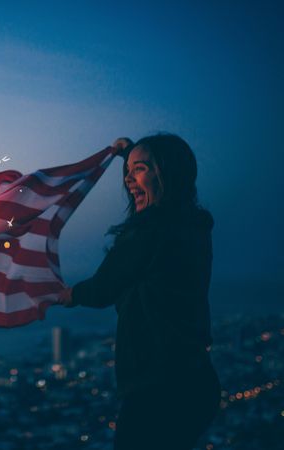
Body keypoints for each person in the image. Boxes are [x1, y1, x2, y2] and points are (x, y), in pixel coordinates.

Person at [59, 134, 220, 449]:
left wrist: (63, 294)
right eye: (128, 171)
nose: (129, 180)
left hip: (160, 390)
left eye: (140, 169)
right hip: (196, 381)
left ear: (167, 174)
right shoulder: (192, 225)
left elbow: (101, 289)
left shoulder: (150, 230)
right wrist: (131, 153)